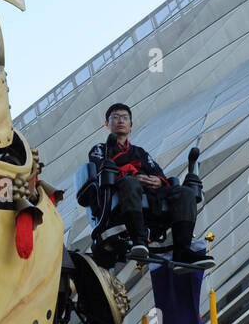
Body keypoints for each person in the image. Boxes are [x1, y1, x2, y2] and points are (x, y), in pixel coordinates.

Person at [88, 102, 210, 268]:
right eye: (115, 118)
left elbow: (158, 173)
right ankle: (139, 240)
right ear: (107, 124)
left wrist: (159, 181)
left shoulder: (140, 152)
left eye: (125, 118)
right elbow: (101, 171)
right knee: (130, 183)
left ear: (131, 125)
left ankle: (183, 251)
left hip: (151, 194)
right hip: (121, 194)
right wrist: (132, 175)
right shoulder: (100, 149)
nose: (120, 121)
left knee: (185, 193)